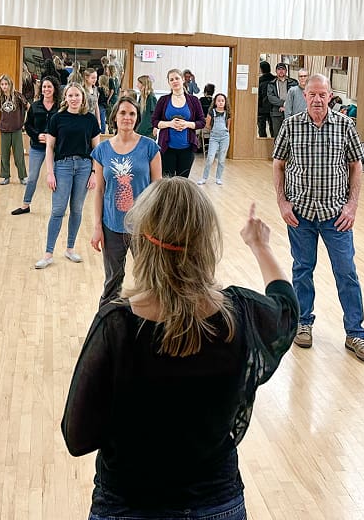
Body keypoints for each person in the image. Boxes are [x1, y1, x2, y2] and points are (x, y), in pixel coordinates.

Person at [62, 180, 297, 519]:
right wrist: (260, 246)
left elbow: (77, 436)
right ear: (205, 244)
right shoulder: (240, 312)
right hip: (218, 504)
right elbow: (287, 310)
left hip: (129, 504)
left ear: (142, 242)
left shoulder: (116, 324)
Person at [272, 73, 364, 362]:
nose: (317, 99)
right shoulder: (291, 126)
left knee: (346, 272)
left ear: (331, 96)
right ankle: (302, 323)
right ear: (304, 96)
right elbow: (278, 165)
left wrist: (352, 206)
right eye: (312, 94)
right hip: (301, 214)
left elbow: (356, 166)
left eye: (322, 94)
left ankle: (356, 333)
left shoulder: (345, 126)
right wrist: (282, 202)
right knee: (302, 270)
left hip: (336, 215)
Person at [89, 96, 161, 306]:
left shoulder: (150, 148)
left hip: (143, 226)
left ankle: (146, 324)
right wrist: (97, 227)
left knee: (148, 280)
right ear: (114, 117)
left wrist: (157, 225)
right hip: (112, 225)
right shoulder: (102, 150)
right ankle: (107, 325)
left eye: (132, 114)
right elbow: (99, 191)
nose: (127, 117)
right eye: (123, 113)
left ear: (137, 118)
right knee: (113, 281)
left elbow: (158, 190)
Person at [37, 84, 100, 269]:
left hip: (84, 166)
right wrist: (50, 173)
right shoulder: (57, 118)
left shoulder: (89, 119)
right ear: (65, 97)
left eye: (77, 95)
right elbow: (49, 147)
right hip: (62, 167)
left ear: (82, 97)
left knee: (77, 210)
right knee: (57, 210)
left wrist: (94, 173)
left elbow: (97, 149)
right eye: (70, 95)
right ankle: (48, 254)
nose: (74, 98)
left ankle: (70, 249)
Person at [13, 75, 62, 216]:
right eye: (44, 87)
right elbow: (28, 125)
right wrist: (37, 135)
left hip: (54, 148)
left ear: (54, 89)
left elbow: (63, 126)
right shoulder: (35, 106)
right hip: (37, 148)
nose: (46, 89)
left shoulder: (60, 107)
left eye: (49, 87)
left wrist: (53, 138)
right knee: (33, 177)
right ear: (41, 89)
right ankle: (25, 205)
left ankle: (57, 208)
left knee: (56, 177)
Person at [152, 69, 205, 178]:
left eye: (177, 78)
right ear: (169, 83)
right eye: (171, 79)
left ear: (182, 80)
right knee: (168, 181)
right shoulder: (163, 100)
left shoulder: (194, 100)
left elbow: (202, 122)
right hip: (167, 149)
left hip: (187, 149)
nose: (174, 81)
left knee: (183, 181)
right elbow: (154, 121)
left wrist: (187, 124)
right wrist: (169, 124)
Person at [0, 74, 28, 186]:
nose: (4, 86)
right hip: (4, 129)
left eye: (6, 84)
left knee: (19, 155)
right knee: (4, 155)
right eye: (2, 84)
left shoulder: (17, 96)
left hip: (16, 129)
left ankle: (22, 176)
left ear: (10, 84)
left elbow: (28, 106)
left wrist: (24, 121)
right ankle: (5, 176)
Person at [198, 92, 231, 186]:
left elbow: (228, 126)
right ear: (215, 102)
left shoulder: (227, 113)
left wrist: (225, 132)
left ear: (225, 102)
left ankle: (218, 178)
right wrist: (213, 131)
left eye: (222, 101)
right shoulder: (211, 112)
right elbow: (207, 125)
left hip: (225, 137)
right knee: (210, 158)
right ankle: (204, 178)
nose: (221, 102)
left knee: (221, 159)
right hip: (214, 137)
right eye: (219, 101)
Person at [266, 63, 294, 138]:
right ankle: (277, 150)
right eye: (279, 69)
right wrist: (284, 103)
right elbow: (271, 97)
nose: (281, 71)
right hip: (276, 113)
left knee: (290, 135)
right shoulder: (271, 84)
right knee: (277, 136)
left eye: (283, 69)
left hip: (290, 113)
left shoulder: (293, 82)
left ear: (286, 71)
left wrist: (287, 106)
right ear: (276, 71)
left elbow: (295, 97)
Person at [256, 61, 275, 138]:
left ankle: (261, 147)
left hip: (261, 108)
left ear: (261, 69)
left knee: (262, 129)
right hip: (273, 107)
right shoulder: (274, 79)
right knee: (273, 129)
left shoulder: (259, 81)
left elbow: (258, 96)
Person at [82, 68, 103, 133]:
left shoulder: (95, 89)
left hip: (93, 118)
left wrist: (99, 121)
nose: (95, 80)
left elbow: (96, 106)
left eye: (96, 78)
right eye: (93, 78)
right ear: (86, 78)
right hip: (84, 118)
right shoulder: (82, 90)